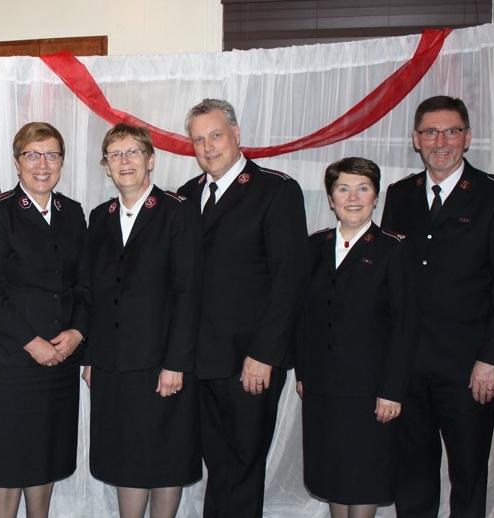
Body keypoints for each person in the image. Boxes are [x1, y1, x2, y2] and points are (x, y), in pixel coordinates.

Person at [381, 96, 494, 518]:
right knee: (412, 476)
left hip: (468, 369)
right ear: (416, 139)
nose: (440, 141)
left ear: (467, 137)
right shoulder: (399, 195)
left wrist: (491, 358)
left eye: (450, 131)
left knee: (467, 477)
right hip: (409, 366)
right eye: (430, 132)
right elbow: (393, 282)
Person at [176, 98, 308, 518]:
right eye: (199, 139)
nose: (208, 147)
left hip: (249, 362)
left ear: (236, 134)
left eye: (215, 135)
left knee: (244, 469)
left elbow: (290, 279)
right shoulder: (185, 196)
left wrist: (264, 355)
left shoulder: (276, 189)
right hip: (199, 360)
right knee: (217, 467)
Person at [0, 122, 88, 518]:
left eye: (52, 155)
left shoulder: (72, 212)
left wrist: (76, 332)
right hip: (8, 360)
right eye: (33, 154)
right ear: (17, 161)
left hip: (59, 360)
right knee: (5, 457)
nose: (43, 164)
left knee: (45, 453)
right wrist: (31, 342)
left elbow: (85, 286)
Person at [83, 123, 202, 518]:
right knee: (125, 459)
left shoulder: (177, 211)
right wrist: (89, 357)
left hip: (161, 364)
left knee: (165, 457)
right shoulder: (100, 217)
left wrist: (176, 363)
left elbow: (188, 292)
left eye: (132, 152)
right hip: (112, 365)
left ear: (150, 159)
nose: (124, 162)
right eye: (115, 155)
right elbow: (90, 294)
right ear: (106, 167)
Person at [296, 157, 418, 518]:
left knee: (364, 476)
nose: (353, 197)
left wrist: (392, 390)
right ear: (331, 198)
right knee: (333, 472)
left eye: (363, 188)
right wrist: (303, 374)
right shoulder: (314, 246)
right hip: (322, 386)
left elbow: (405, 327)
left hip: (371, 390)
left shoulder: (395, 248)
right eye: (343, 189)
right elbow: (301, 316)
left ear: (376, 197)